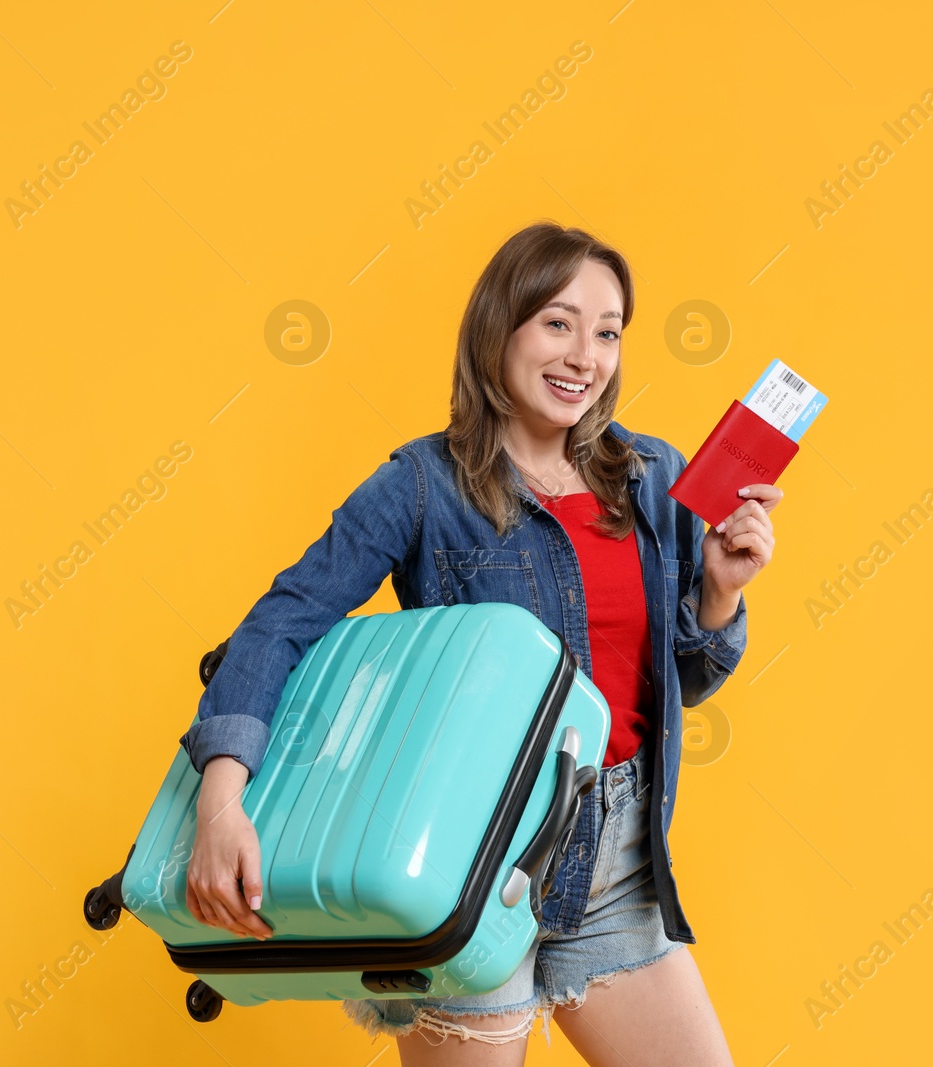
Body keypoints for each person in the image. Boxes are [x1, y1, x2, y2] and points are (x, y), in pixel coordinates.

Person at [178, 221, 782, 1065]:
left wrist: (719, 591)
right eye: (558, 323)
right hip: (473, 857)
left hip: (617, 867)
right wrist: (220, 799)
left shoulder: (649, 478)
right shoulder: (422, 486)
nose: (586, 356)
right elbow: (281, 622)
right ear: (501, 325)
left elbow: (677, 679)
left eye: (608, 332)